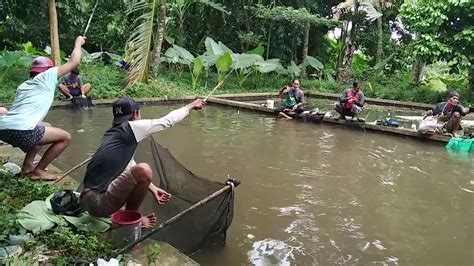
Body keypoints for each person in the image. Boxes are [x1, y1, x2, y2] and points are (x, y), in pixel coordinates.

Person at [80, 97, 205, 227]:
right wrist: (191, 106)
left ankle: (123, 215)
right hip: (98, 204)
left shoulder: (112, 134)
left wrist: (153, 188)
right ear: (135, 113)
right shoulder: (132, 127)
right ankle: (129, 220)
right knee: (144, 169)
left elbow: (128, 164)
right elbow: (167, 121)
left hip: (88, 201)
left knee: (138, 169)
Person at [0, 36, 86, 180]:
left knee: (45, 126)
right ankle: (38, 171)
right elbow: (74, 61)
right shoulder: (47, 76)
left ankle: (27, 166)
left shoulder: (24, 85)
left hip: (3, 130)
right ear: (47, 70)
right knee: (65, 137)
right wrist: (78, 43)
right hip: (21, 131)